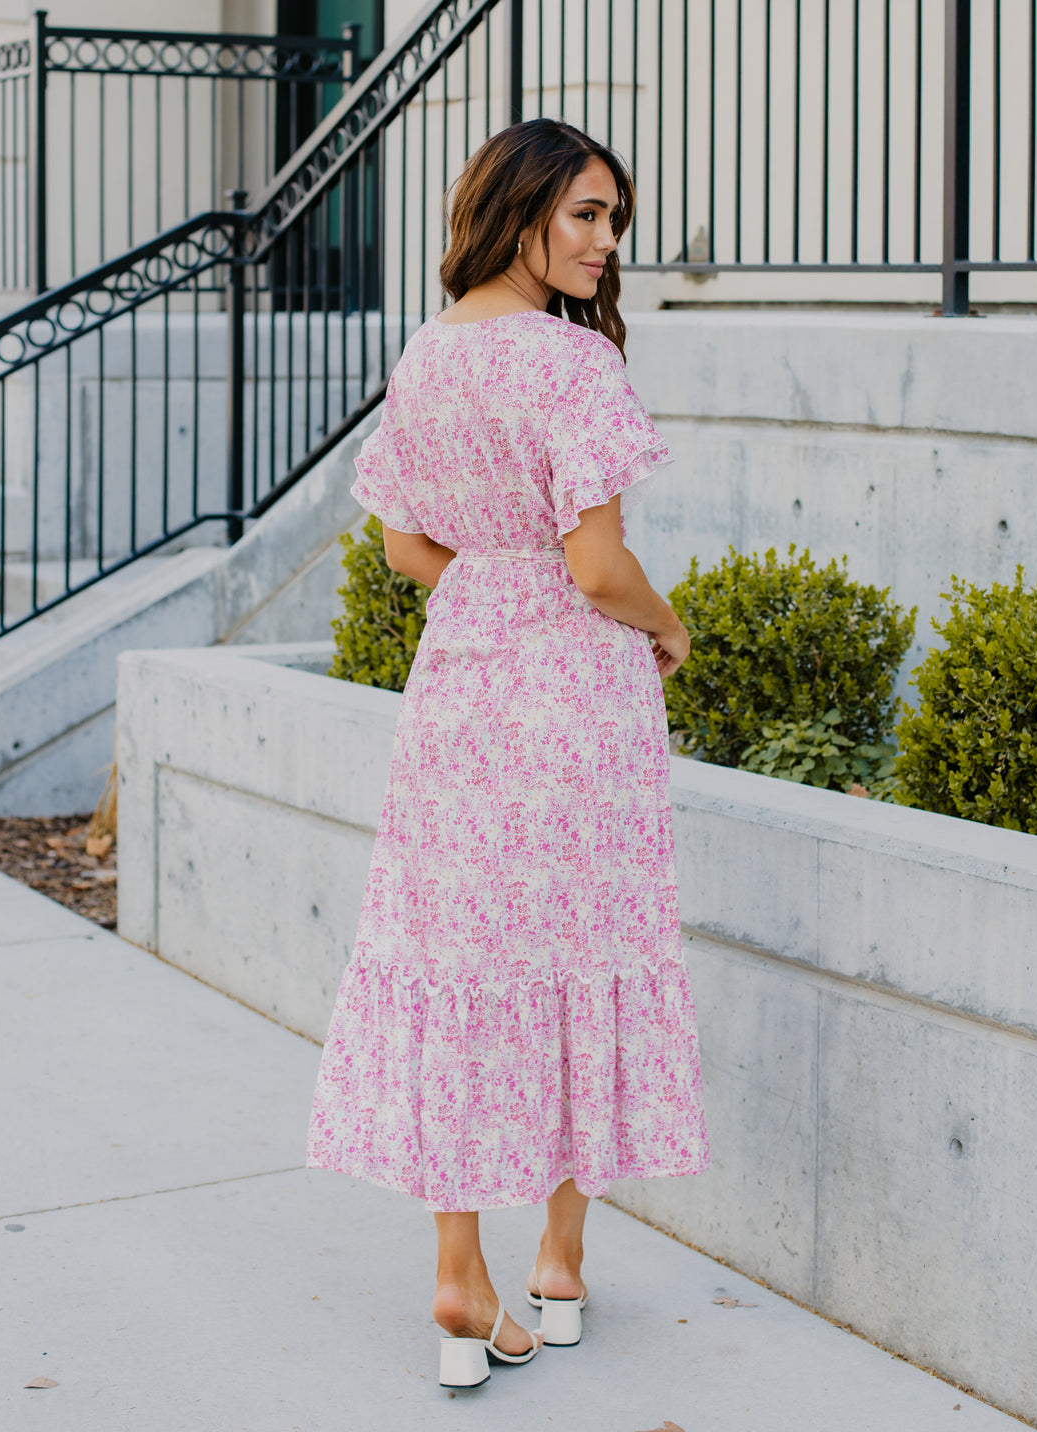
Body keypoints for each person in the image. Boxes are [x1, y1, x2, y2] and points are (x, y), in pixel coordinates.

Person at [307, 117, 710, 1390]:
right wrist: (669, 622)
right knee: (580, 955)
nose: (603, 244)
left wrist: (488, 580)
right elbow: (596, 567)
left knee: (462, 959)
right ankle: (563, 1265)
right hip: (576, 711)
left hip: (462, 699)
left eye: (614, 222)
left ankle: (458, 1276)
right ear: (523, 207)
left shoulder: (428, 357)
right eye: (586, 215)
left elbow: (402, 550)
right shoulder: (574, 369)